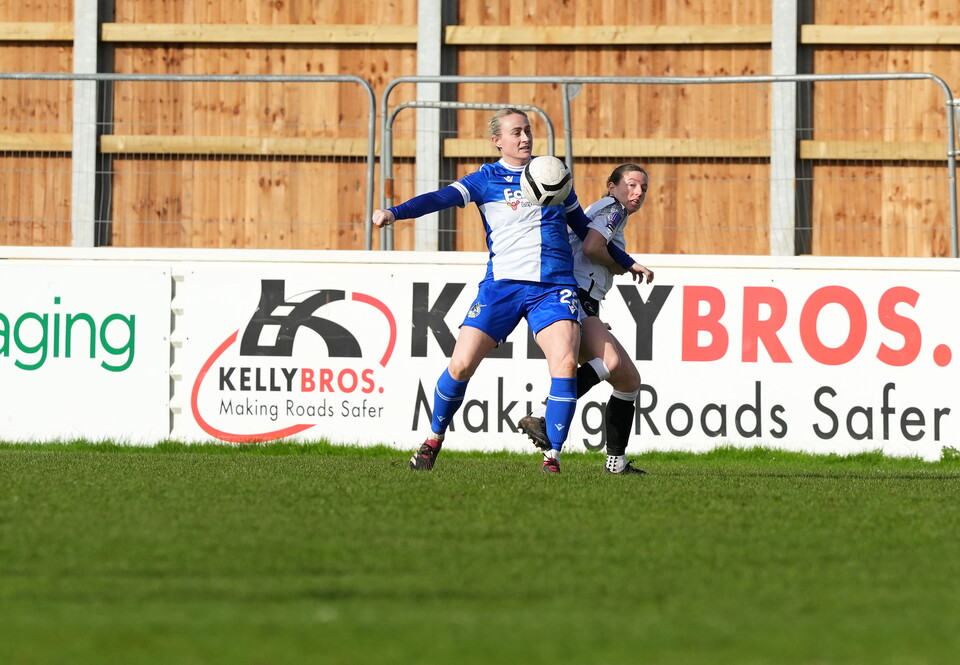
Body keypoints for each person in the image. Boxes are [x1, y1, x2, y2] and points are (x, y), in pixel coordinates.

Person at [371, 108, 649, 474]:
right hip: (501, 286)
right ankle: (433, 440)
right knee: (461, 364)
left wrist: (626, 262)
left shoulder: (553, 173)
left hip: (553, 288)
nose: (525, 138)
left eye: (528, 131)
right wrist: (395, 212)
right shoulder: (485, 179)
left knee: (565, 365)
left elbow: (583, 227)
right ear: (497, 141)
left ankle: (552, 458)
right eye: (516, 132)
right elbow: (439, 199)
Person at [518, 164, 654, 475]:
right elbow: (594, 248)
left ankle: (614, 463)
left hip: (582, 299)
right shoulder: (614, 209)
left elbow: (591, 246)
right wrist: (625, 265)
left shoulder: (607, 211)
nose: (638, 193)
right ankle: (540, 413)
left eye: (643, 188)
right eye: (631, 185)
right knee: (611, 362)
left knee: (628, 380)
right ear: (612, 186)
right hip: (575, 297)